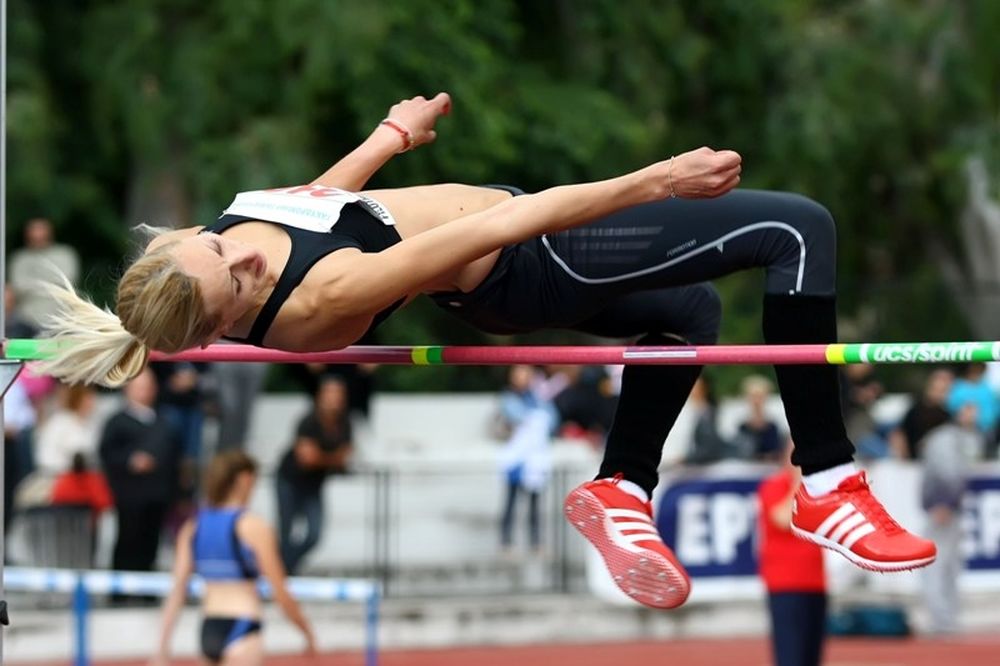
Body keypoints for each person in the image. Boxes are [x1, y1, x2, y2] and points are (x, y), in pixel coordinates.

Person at [38, 92, 936, 609]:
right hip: (528, 259)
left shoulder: (210, 247)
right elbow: (512, 219)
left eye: (211, 239)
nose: (235, 246)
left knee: (689, 316)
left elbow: (307, 202)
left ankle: (621, 487)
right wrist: (659, 179)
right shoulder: (321, 301)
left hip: (513, 246)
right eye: (230, 269)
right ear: (221, 322)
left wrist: (392, 137)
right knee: (795, 227)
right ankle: (827, 484)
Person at [154, 451, 316, 666]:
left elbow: (177, 591)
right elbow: (280, 590)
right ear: (244, 479)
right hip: (243, 625)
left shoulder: (193, 527)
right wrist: (306, 632)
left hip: (209, 626)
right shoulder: (253, 526)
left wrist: (162, 648)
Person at [99, 368, 180, 580]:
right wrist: (130, 461)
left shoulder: (164, 422)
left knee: (151, 541)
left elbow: (174, 457)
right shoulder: (116, 422)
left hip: (157, 494)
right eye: (140, 387)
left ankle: (146, 589)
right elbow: (107, 454)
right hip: (129, 495)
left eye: (148, 387)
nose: (145, 391)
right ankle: (121, 590)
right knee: (127, 539)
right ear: (128, 389)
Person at [758, 438, 827, 666]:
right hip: (785, 585)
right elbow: (781, 518)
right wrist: (798, 484)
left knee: (811, 655)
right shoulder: (773, 486)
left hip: (815, 582)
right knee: (790, 655)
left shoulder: (816, 492)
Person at [276, 376, 353, 574]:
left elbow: (343, 457)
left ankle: (284, 569)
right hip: (289, 481)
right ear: (320, 396)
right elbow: (307, 459)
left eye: (338, 395)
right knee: (286, 532)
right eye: (330, 394)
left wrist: (321, 457)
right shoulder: (308, 421)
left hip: (313, 484)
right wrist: (332, 458)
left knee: (314, 534)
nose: (334, 400)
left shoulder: (345, 423)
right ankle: (281, 571)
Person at [919, 401, 983, 635]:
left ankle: (945, 618)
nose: (974, 415)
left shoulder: (951, 438)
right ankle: (942, 618)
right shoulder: (946, 439)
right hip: (944, 508)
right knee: (941, 564)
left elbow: (952, 472)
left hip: (947, 507)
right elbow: (948, 473)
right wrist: (943, 502)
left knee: (946, 564)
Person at [497, 365, 558, 554]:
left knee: (534, 501)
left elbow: (552, 419)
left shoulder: (536, 397)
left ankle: (535, 541)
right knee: (511, 500)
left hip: (534, 459)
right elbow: (517, 415)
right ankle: (506, 541)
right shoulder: (509, 397)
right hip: (516, 458)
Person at [9, 217, 80, 328]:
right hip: (26, 319)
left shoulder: (65, 254)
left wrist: (34, 285)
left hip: (61, 317)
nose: (38, 237)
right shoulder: (20, 258)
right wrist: (50, 284)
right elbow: (18, 286)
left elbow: (67, 281)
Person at [34, 383, 101, 475]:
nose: (92, 403)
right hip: (57, 476)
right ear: (78, 399)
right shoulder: (60, 421)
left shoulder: (90, 423)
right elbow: (45, 457)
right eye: (88, 399)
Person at [889, 368, 953, 460]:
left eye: (943, 390)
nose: (938, 394)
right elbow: (899, 435)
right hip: (912, 461)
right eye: (936, 389)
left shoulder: (947, 416)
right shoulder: (915, 410)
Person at [734, 374, 782, 461]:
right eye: (753, 396)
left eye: (759, 396)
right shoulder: (743, 427)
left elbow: (776, 451)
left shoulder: (772, 426)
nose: (756, 400)